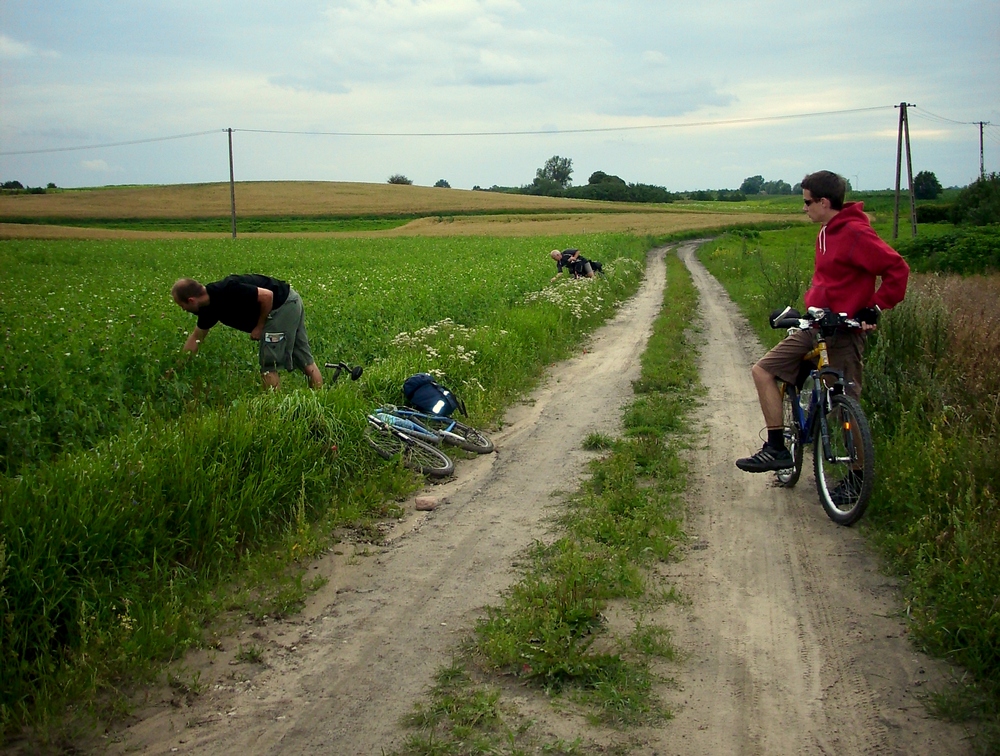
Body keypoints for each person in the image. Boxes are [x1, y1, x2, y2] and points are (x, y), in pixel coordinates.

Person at [735, 170, 909, 473]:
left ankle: (857, 476)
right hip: (815, 327)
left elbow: (897, 269)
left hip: (842, 333)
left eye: (807, 202)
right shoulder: (825, 232)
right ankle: (776, 447)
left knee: (844, 403)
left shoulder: (855, 233)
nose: (804, 208)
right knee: (763, 370)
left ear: (824, 202)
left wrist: (874, 308)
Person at [171, 274, 323, 390]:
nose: (183, 309)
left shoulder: (227, 289)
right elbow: (196, 338)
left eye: (182, 305)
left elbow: (267, 296)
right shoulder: (207, 309)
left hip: (282, 305)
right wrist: (178, 367)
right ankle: (319, 396)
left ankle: (275, 408)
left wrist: (259, 327)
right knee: (303, 357)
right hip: (290, 301)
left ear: (191, 300)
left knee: (269, 363)